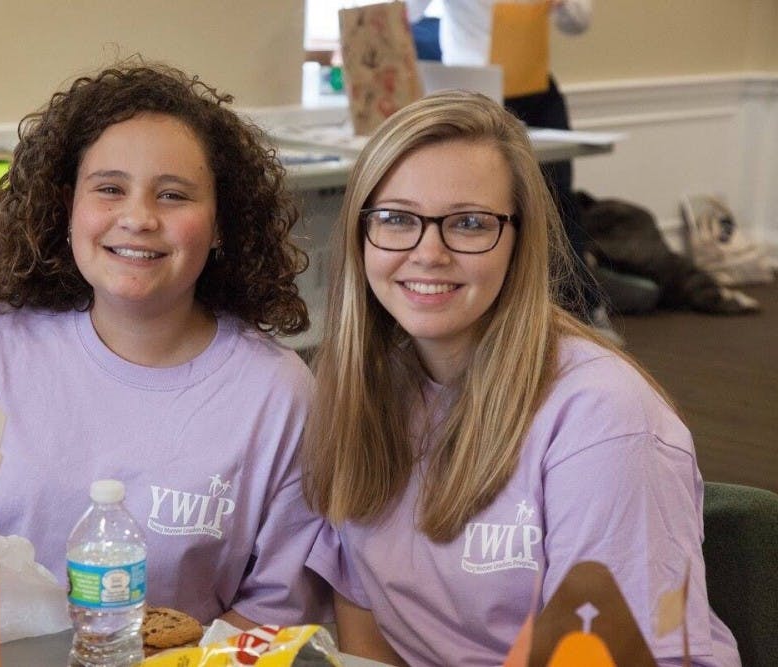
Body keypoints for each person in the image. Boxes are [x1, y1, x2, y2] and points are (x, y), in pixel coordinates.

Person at [301, 90, 739, 665]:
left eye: (470, 223)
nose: (428, 252)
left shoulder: (603, 419)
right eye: (396, 219)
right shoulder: (364, 388)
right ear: (360, 237)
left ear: (520, 240)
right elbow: (366, 628)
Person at [0, 61, 329, 628]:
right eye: (110, 189)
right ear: (68, 207)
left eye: (173, 195)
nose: (139, 217)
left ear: (223, 224)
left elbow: (277, 610)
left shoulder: (277, 393)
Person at [406, 0, 618, 342]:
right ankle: (495, 317)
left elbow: (578, 22)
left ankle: (581, 313)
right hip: (475, 91)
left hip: (537, 91)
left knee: (559, 199)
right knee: (481, 205)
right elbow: (404, 13)